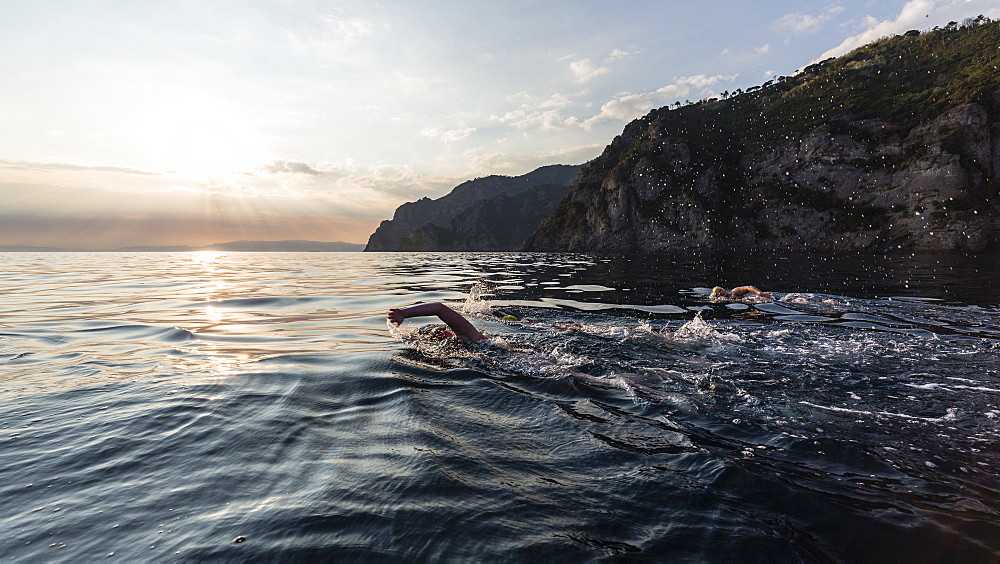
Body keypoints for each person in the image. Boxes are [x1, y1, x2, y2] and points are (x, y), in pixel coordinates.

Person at [388, 302, 488, 343]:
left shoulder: (469, 336)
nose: (441, 331)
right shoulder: (471, 336)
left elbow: (438, 308)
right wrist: (403, 313)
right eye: (439, 333)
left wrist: (404, 313)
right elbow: (438, 308)